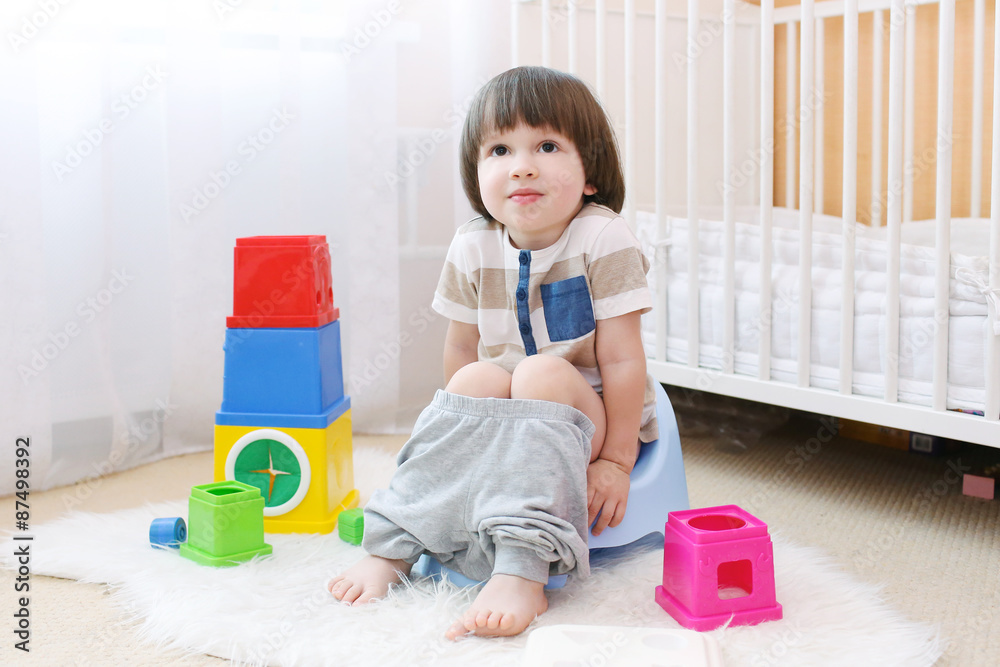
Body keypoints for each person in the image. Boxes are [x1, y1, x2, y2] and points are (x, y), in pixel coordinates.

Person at [328, 65, 657, 641]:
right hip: (506, 411)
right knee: (476, 379)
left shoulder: (603, 238)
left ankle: (523, 569)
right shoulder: (472, 243)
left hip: (586, 417)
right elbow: (460, 347)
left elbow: (624, 361)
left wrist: (616, 461)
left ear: (590, 174)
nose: (521, 165)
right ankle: (396, 544)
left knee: (539, 374)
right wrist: (468, 442)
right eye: (500, 149)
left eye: (547, 146)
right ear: (477, 173)